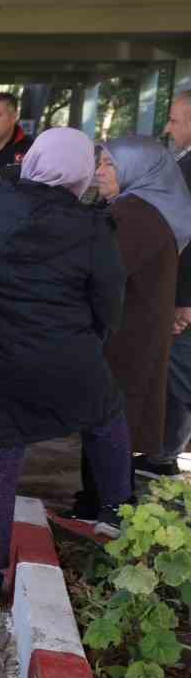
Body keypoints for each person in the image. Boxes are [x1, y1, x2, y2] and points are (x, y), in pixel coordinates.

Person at [0, 127, 130, 602]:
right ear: (82, 170)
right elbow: (110, 305)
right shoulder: (91, 226)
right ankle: (115, 512)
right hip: (66, 358)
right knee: (106, 416)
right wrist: (83, 340)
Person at [72, 136, 191, 517]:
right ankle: (100, 502)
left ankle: (108, 507)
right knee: (111, 422)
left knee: (112, 425)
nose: (99, 172)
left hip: (127, 339)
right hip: (130, 336)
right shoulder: (138, 208)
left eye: (109, 164)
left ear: (137, 169)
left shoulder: (137, 214)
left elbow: (105, 271)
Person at [147, 90, 191, 477]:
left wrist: (183, 300)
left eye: (174, 120)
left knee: (180, 376)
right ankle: (164, 452)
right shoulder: (182, 164)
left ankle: (165, 456)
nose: (167, 127)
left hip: (184, 299)